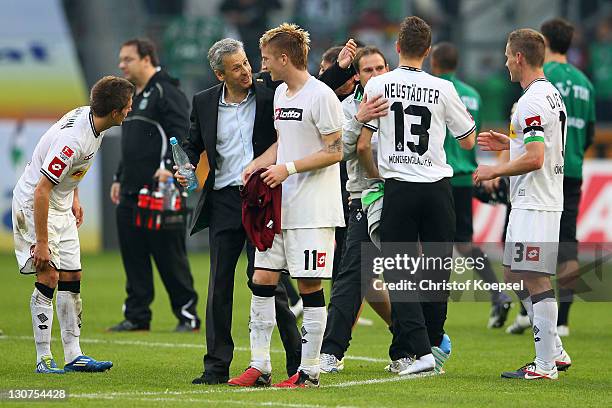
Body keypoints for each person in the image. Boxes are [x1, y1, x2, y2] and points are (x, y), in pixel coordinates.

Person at [227, 23, 344, 388]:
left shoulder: (321, 95)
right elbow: (284, 142)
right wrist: (259, 163)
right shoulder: (281, 96)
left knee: (309, 286)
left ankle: (309, 372)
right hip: (279, 209)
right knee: (261, 279)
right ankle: (259, 365)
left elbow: (335, 150)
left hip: (313, 209)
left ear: (283, 57)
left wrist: (288, 169)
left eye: (264, 59)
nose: (261, 66)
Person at [357, 16, 476, 377]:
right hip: (439, 189)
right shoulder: (443, 88)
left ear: (396, 47)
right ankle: (433, 345)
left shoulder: (378, 84)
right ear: (428, 51)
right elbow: (468, 139)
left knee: (399, 273)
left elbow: (365, 140)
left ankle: (419, 351)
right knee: (437, 271)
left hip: (400, 187)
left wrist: (379, 171)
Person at [179, 38, 301, 385]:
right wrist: (185, 165)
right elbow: (192, 144)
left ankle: (296, 363)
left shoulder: (268, 90)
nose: (247, 70)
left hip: (260, 199)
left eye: (247, 62)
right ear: (220, 74)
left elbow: (307, 82)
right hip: (223, 203)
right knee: (219, 285)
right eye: (237, 67)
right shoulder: (203, 102)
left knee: (265, 280)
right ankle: (216, 366)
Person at [12, 76, 134, 373]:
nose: (131, 109)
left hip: (61, 202)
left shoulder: (92, 119)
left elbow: (71, 169)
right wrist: (40, 243)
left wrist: (74, 196)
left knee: (72, 275)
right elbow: (42, 189)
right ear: (116, 111)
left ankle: (74, 355)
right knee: (49, 275)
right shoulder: (73, 141)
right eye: (128, 105)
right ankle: (44, 359)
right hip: (36, 204)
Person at [474, 28, 572, 380]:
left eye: (506, 56)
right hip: (534, 200)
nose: (504, 63)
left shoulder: (531, 101)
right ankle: (554, 352)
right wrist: (509, 143)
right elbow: (534, 146)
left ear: (518, 57)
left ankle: (545, 365)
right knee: (515, 273)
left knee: (533, 278)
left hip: (536, 202)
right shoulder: (548, 95)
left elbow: (535, 158)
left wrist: (493, 170)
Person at [108, 38, 200, 333]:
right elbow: (132, 143)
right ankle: (137, 316)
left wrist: (168, 168)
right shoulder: (132, 94)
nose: (122, 65)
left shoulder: (165, 90)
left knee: (169, 255)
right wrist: (119, 177)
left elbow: (183, 134)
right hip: (131, 188)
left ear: (147, 59)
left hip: (161, 190)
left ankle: (188, 315)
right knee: (133, 255)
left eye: (127, 59)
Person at [320, 46, 392, 373]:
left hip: (406, 194)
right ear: (357, 76)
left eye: (380, 68)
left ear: (389, 68)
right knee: (352, 274)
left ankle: (426, 344)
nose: (375, 75)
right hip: (364, 195)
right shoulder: (347, 108)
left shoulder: (408, 100)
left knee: (408, 275)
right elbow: (336, 151)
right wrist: (358, 120)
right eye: (367, 70)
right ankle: (331, 352)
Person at [430, 42, 513, 328]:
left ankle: (429, 298)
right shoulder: (473, 94)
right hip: (466, 176)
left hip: (435, 175)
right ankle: (497, 292)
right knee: (464, 243)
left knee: (425, 243)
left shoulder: (432, 89)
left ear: (434, 63)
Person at [541, 18, 596, 337]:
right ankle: (563, 320)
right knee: (567, 246)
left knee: (531, 243)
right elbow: (588, 134)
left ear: (545, 42)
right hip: (572, 170)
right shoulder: (586, 84)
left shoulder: (542, 78)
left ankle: (529, 313)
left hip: (543, 170)